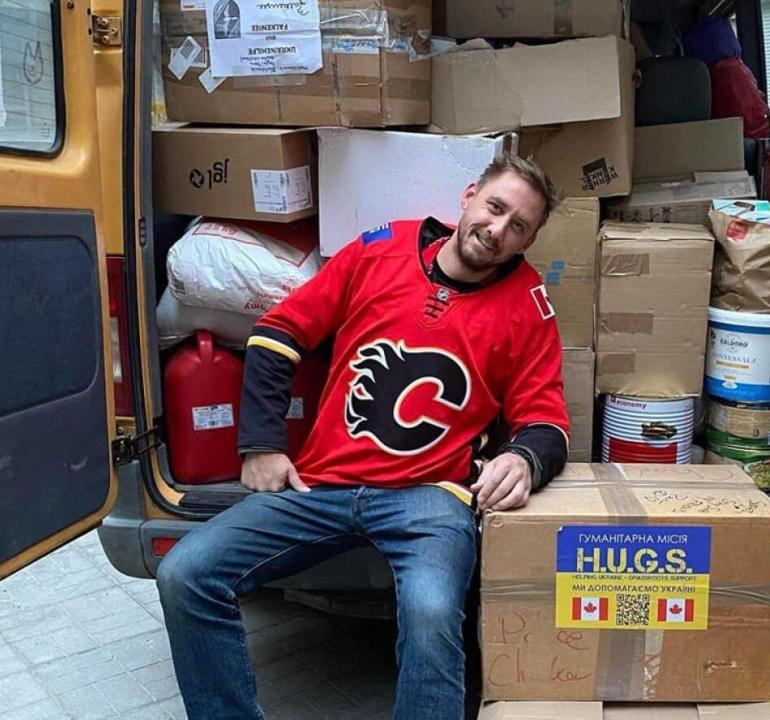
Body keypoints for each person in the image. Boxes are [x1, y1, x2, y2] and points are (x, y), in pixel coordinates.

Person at [156, 155, 571, 720]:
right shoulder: (381, 249)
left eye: (518, 226)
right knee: (185, 573)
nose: (498, 230)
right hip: (320, 486)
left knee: (429, 612)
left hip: (432, 497)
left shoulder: (528, 304)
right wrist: (261, 443)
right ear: (470, 195)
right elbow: (279, 333)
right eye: (495, 208)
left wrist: (524, 458)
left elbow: (546, 420)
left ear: (530, 239)